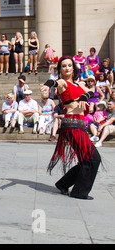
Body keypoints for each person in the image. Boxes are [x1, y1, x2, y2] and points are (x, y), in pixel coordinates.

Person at [41, 56, 102, 199]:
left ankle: (63, 183)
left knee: (87, 159)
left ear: (73, 67)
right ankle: (79, 193)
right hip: (71, 125)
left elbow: (92, 93)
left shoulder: (79, 84)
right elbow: (54, 82)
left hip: (80, 125)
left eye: (69, 65)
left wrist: (83, 97)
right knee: (93, 158)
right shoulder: (63, 83)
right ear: (60, 69)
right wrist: (48, 84)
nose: (67, 68)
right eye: (64, 66)